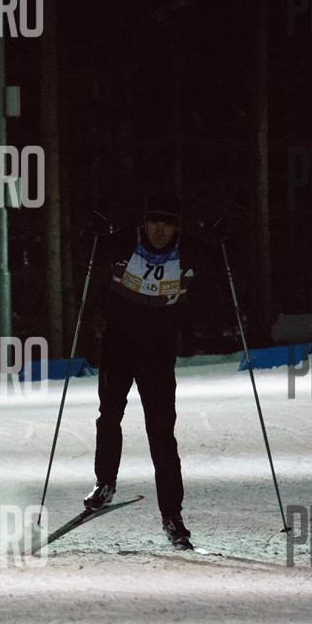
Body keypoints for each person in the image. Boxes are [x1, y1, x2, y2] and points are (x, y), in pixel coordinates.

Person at [84, 191, 198, 550]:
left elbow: (222, 256)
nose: (160, 230)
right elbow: (91, 251)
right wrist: (93, 232)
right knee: (109, 416)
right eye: (154, 222)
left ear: (176, 227)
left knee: (162, 434)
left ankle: (172, 515)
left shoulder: (189, 251)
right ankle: (105, 482)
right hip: (118, 348)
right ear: (144, 223)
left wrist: (222, 236)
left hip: (158, 356)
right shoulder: (122, 241)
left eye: (167, 224)